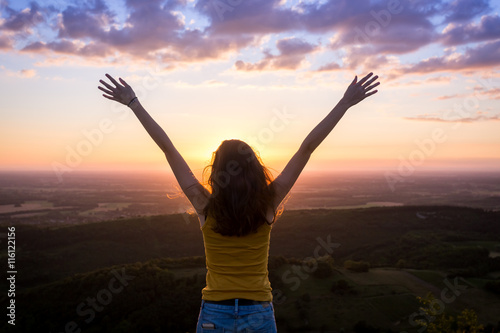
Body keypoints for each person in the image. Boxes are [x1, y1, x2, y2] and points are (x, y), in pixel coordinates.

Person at [98, 72, 380, 332]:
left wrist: (134, 103)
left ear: (218, 172)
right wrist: (344, 103)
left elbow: (168, 149)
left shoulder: (204, 205)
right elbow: (306, 149)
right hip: (258, 313)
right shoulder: (268, 201)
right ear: (254, 168)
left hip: (214, 314)